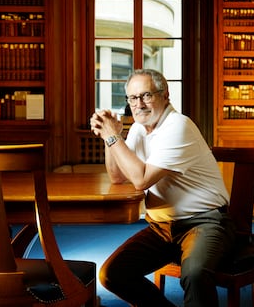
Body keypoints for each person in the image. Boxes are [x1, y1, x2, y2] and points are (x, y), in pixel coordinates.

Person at [89, 69, 235, 307]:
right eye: (133, 98)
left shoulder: (178, 125)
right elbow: (117, 177)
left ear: (165, 95)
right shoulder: (138, 128)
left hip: (204, 222)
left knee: (195, 274)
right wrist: (110, 137)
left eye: (146, 95)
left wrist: (114, 137)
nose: (139, 104)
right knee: (112, 274)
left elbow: (141, 180)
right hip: (163, 227)